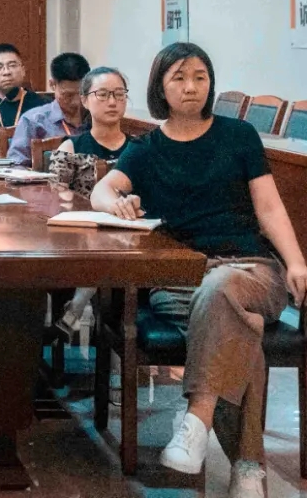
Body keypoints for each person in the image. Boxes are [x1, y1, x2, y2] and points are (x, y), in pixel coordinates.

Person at [91, 43, 307, 497]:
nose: (191, 87)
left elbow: (269, 207)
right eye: (179, 78)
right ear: (160, 87)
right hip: (183, 279)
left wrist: (295, 261)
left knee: (223, 289)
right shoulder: (147, 148)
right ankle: (248, 468)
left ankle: (196, 420)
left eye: (200, 77)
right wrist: (117, 203)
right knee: (239, 328)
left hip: (252, 270)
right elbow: (102, 191)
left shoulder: (239, 135)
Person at [47, 67, 133, 337]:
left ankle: (75, 311)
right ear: (84, 100)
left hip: (129, 234)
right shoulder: (71, 147)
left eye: (119, 94)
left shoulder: (139, 149)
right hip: (79, 236)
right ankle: (75, 309)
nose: (112, 102)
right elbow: (54, 196)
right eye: (103, 94)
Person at [7, 52, 91, 165]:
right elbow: (15, 165)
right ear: (52, 84)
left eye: (82, 94)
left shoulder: (96, 116)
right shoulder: (33, 121)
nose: (76, 102)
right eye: (68, 95)